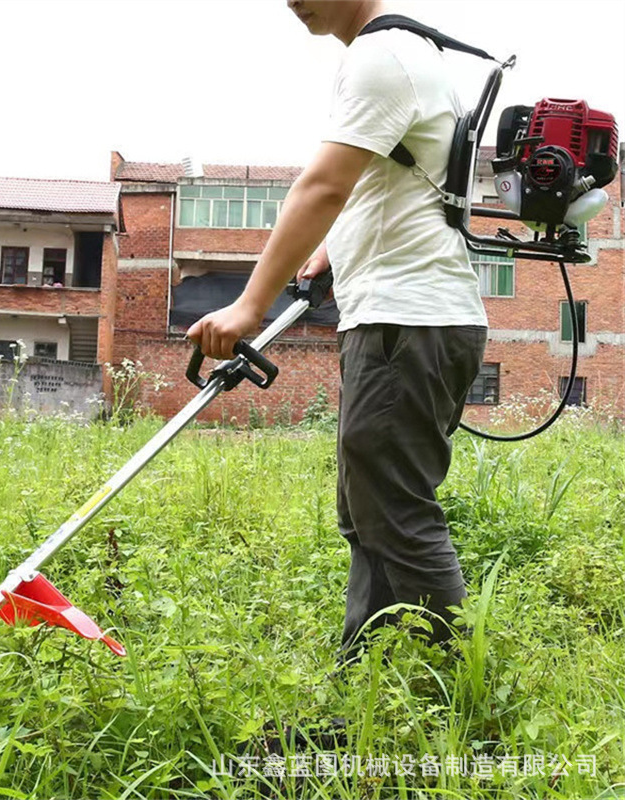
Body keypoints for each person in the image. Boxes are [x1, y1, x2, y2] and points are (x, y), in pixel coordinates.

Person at [188, 0, 488, 665]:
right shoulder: (410, 52)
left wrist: (249, 306)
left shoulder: (380, 56)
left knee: (397, 513)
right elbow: (390, 180)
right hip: (409, 320)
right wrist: (333, 253)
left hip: (406, 323)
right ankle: (366, 679)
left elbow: (323, 186)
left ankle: (464, 695)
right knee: (367, 512)